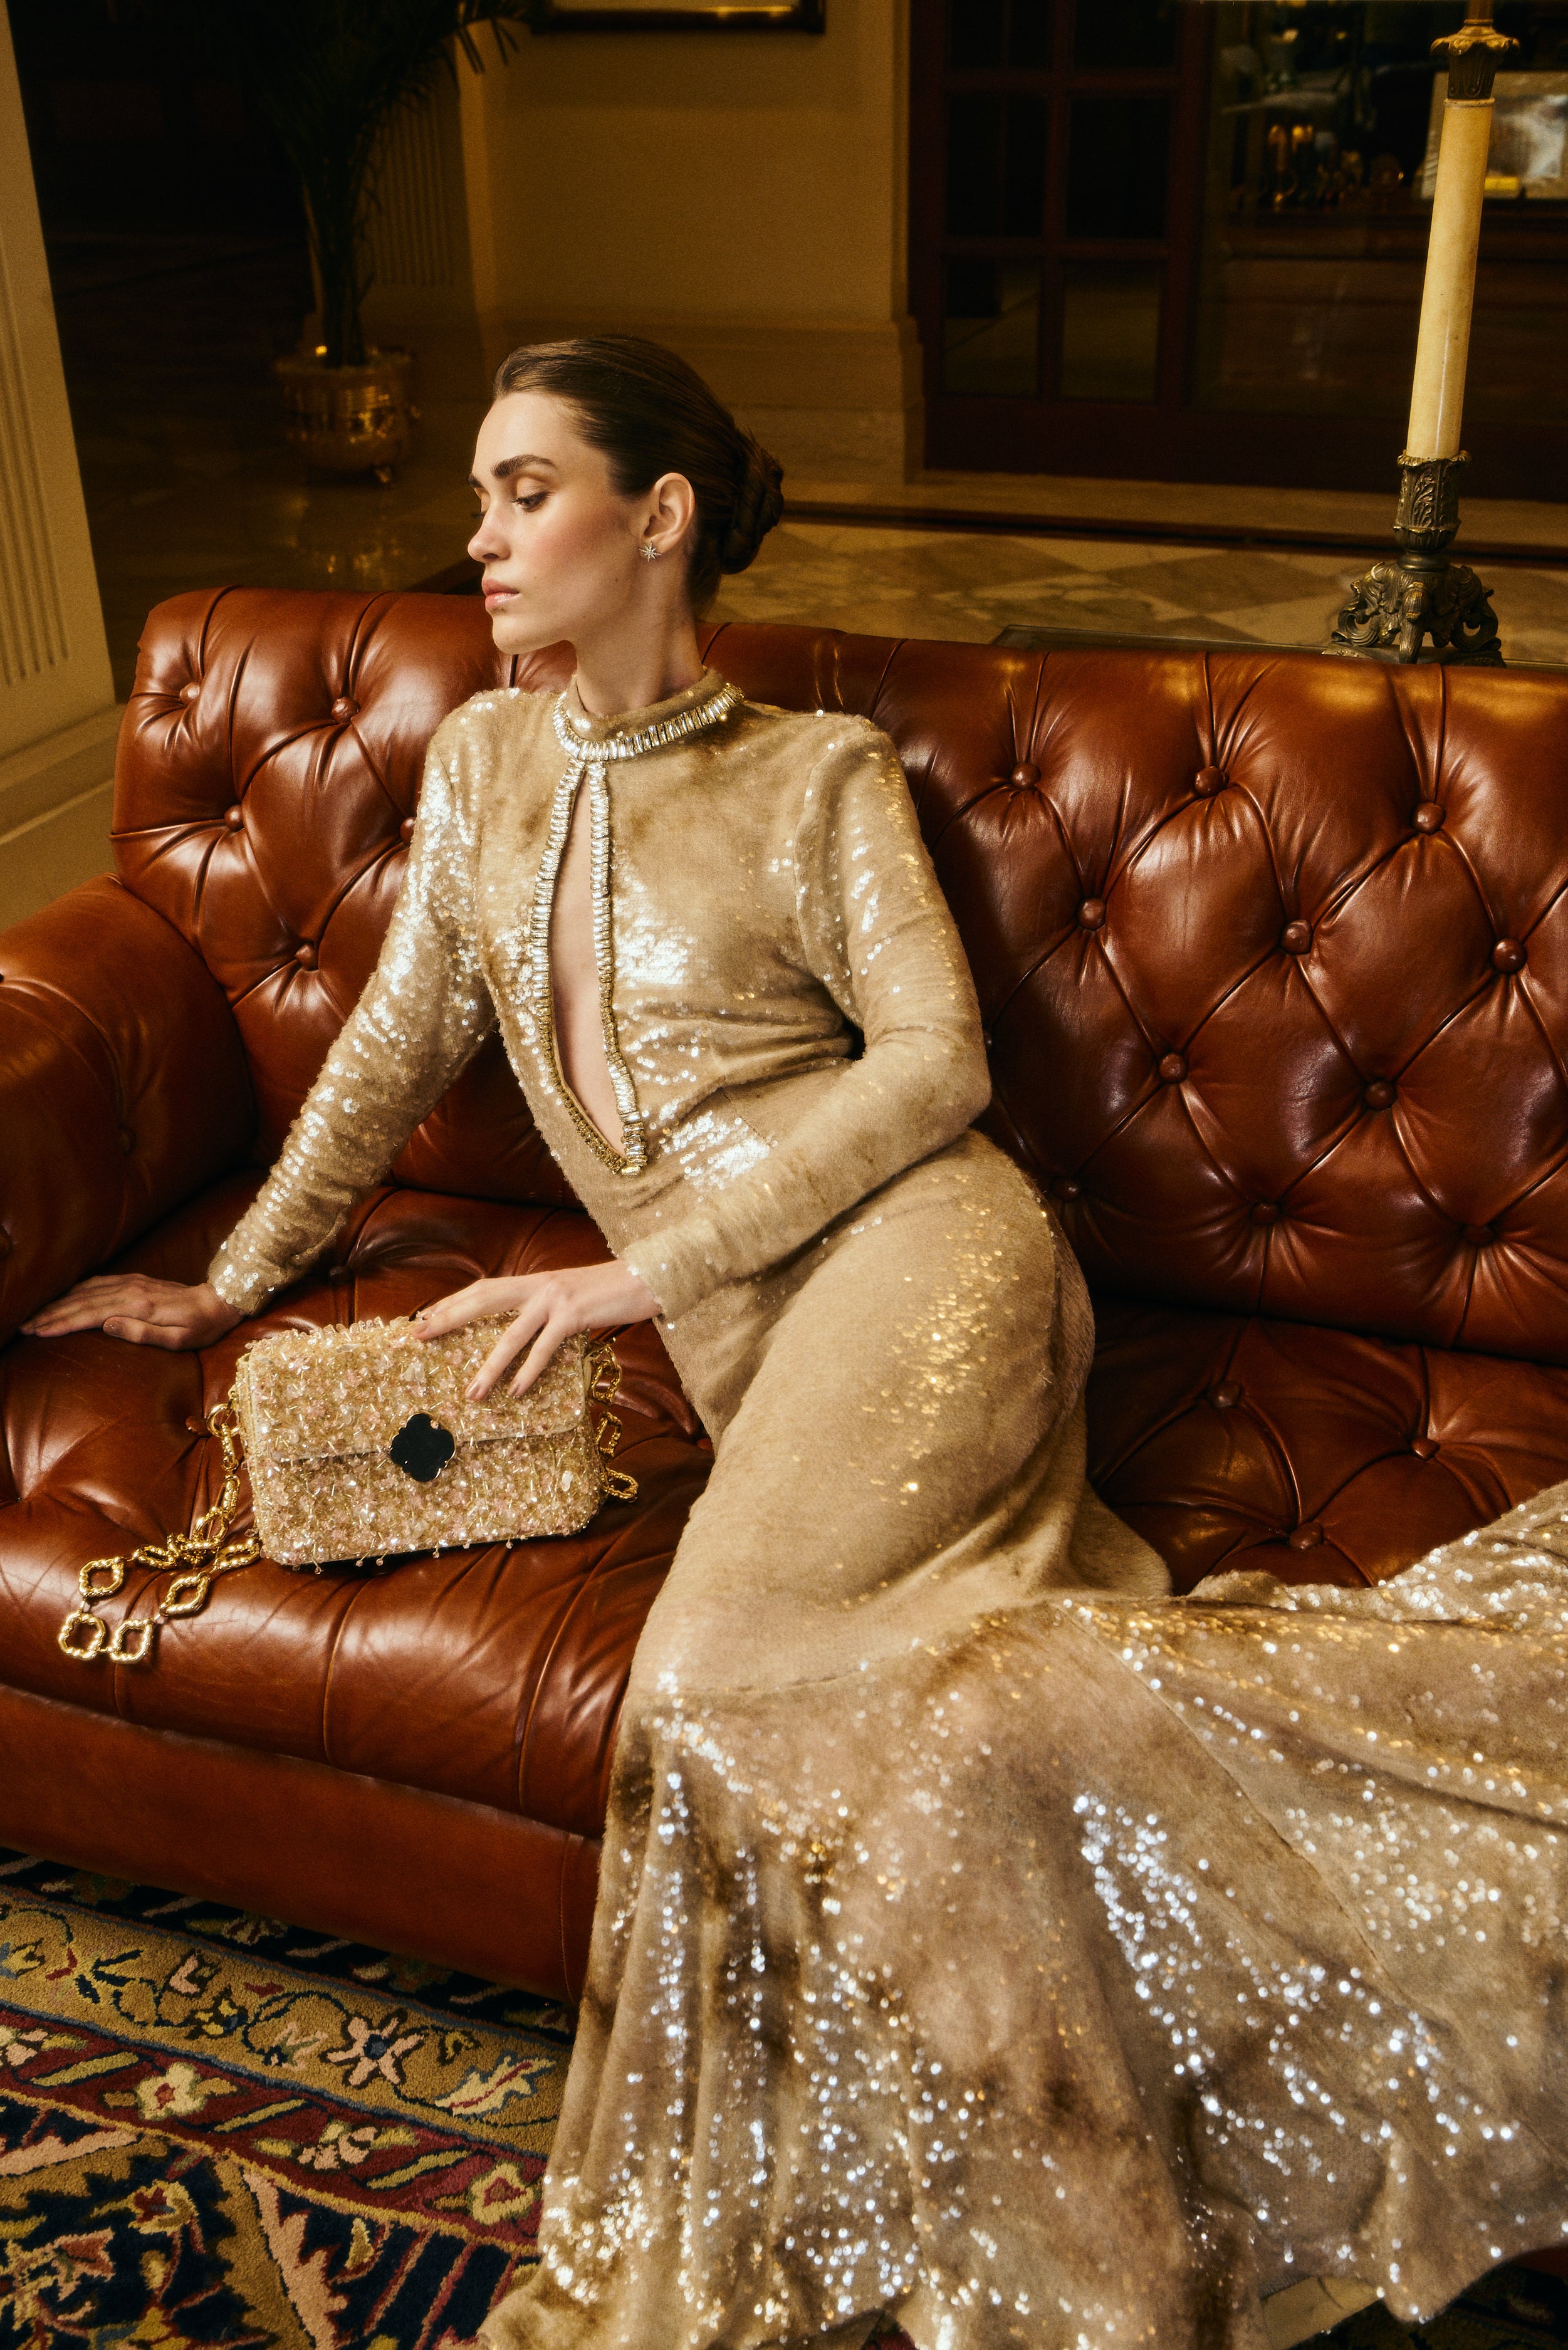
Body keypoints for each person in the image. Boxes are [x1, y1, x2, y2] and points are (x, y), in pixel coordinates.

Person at [23, 337, 1568, 2350]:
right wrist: (232, 1284)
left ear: (655, 518)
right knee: (947, 1729)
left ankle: (1019, 2283)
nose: (479, 536)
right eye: (481, 496)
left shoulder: (813, 775)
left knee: (709, 1680)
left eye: (524, 491)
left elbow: (933, 1072)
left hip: (928, 1270)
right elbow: (391, 1048)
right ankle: (1099, 2224)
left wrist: (614, 1281)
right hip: (763, 1336)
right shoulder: (483, 766)